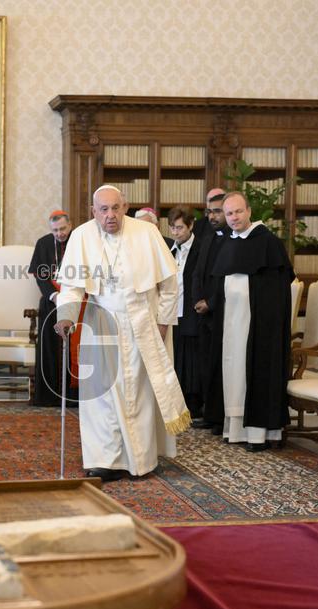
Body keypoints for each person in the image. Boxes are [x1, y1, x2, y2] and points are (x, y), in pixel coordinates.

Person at [55, 185, 189, 482]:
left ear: (125, 207)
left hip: (143, 323)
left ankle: (140, 460)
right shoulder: (81, 236)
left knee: (139, 393)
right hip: (100, 324)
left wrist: (163, 323)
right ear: (93, 211)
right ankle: (104, 459)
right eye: (103, 209)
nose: (110, 215)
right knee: (102, 395)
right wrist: (65, 317)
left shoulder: (147, 233)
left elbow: (169, 284)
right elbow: (72, 287)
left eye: (116, 208)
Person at [204, 192, 294, 452]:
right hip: (232, 323)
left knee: (254, 372)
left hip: (258, 327)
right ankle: (236, 429)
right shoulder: (230, 243)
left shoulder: (268, 243)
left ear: (249, 211)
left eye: (238, 212)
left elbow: (275, 292)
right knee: (234, 372)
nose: (233, 218)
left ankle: (258, 433)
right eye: (229, 213)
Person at [28, 210, 74, 407]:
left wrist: (68, 295)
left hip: (74, 302)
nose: (59, 234)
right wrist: (54, 295)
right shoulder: (43, 243)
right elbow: (40, 276)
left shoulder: (78, 241)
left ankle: (72, 396)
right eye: (55, 230)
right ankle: (49, 396)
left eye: (62, 228)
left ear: (70, 225)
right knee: (48, 348)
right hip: (50, 302)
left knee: (73, 349)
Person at [190, 188, 228, 432]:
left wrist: (211, 302)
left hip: (220, 311)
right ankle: (210, 413)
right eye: (210, 212)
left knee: (219, 366)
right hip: (202, 311)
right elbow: (197, 271)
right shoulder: (208, 235)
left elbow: (226, 279)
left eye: (217, 212)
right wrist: (197, 299)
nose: (212, 216)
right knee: (205, 364)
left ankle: (220, 416)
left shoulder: (230, 240)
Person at [167, 207, 202, 419]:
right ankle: (179, 406)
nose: (175, 232)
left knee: (192, 362)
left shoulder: (201, 247)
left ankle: (195, 406)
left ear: (190, 225)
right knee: (177, 359)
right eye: (172, 227)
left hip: (192, 311)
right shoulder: (170, 249)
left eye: (180, 227)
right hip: (174, 312)